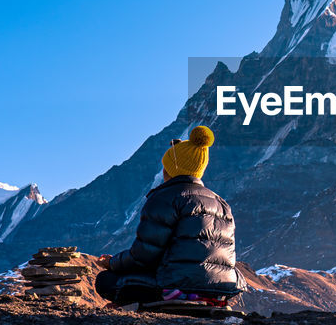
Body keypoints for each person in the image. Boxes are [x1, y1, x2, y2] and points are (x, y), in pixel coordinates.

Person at [94, 125, 241, 306]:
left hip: (176, 286)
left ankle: (172, 300)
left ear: (169, 169)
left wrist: (113, 263)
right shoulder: (221, 203)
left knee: (106, 280)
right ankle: (203, 300)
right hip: (218, 290)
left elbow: (144, 255)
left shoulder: (165, 197)